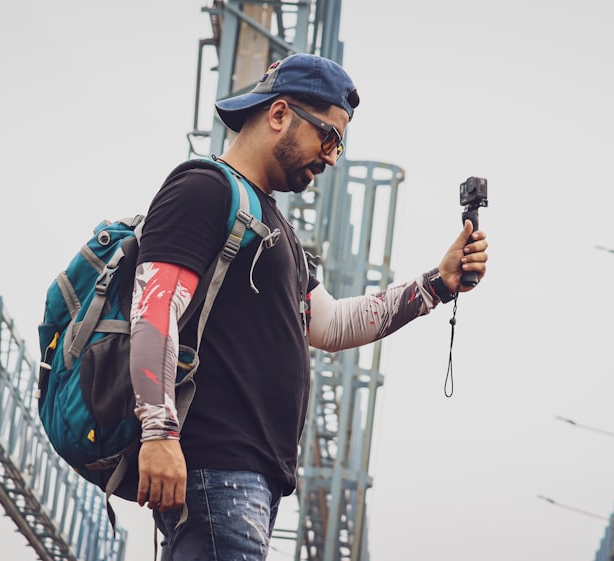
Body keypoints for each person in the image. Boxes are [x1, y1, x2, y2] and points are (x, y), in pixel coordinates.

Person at [128, 52, 488, 560]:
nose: (332, 158)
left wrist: (437, 283)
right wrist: (159, 432)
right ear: (279, 114)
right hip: (216, 470)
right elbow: (153, 309)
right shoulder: (203, 189)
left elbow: (333, 324)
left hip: (248, 480)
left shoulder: (274, 227)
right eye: (330, 138)